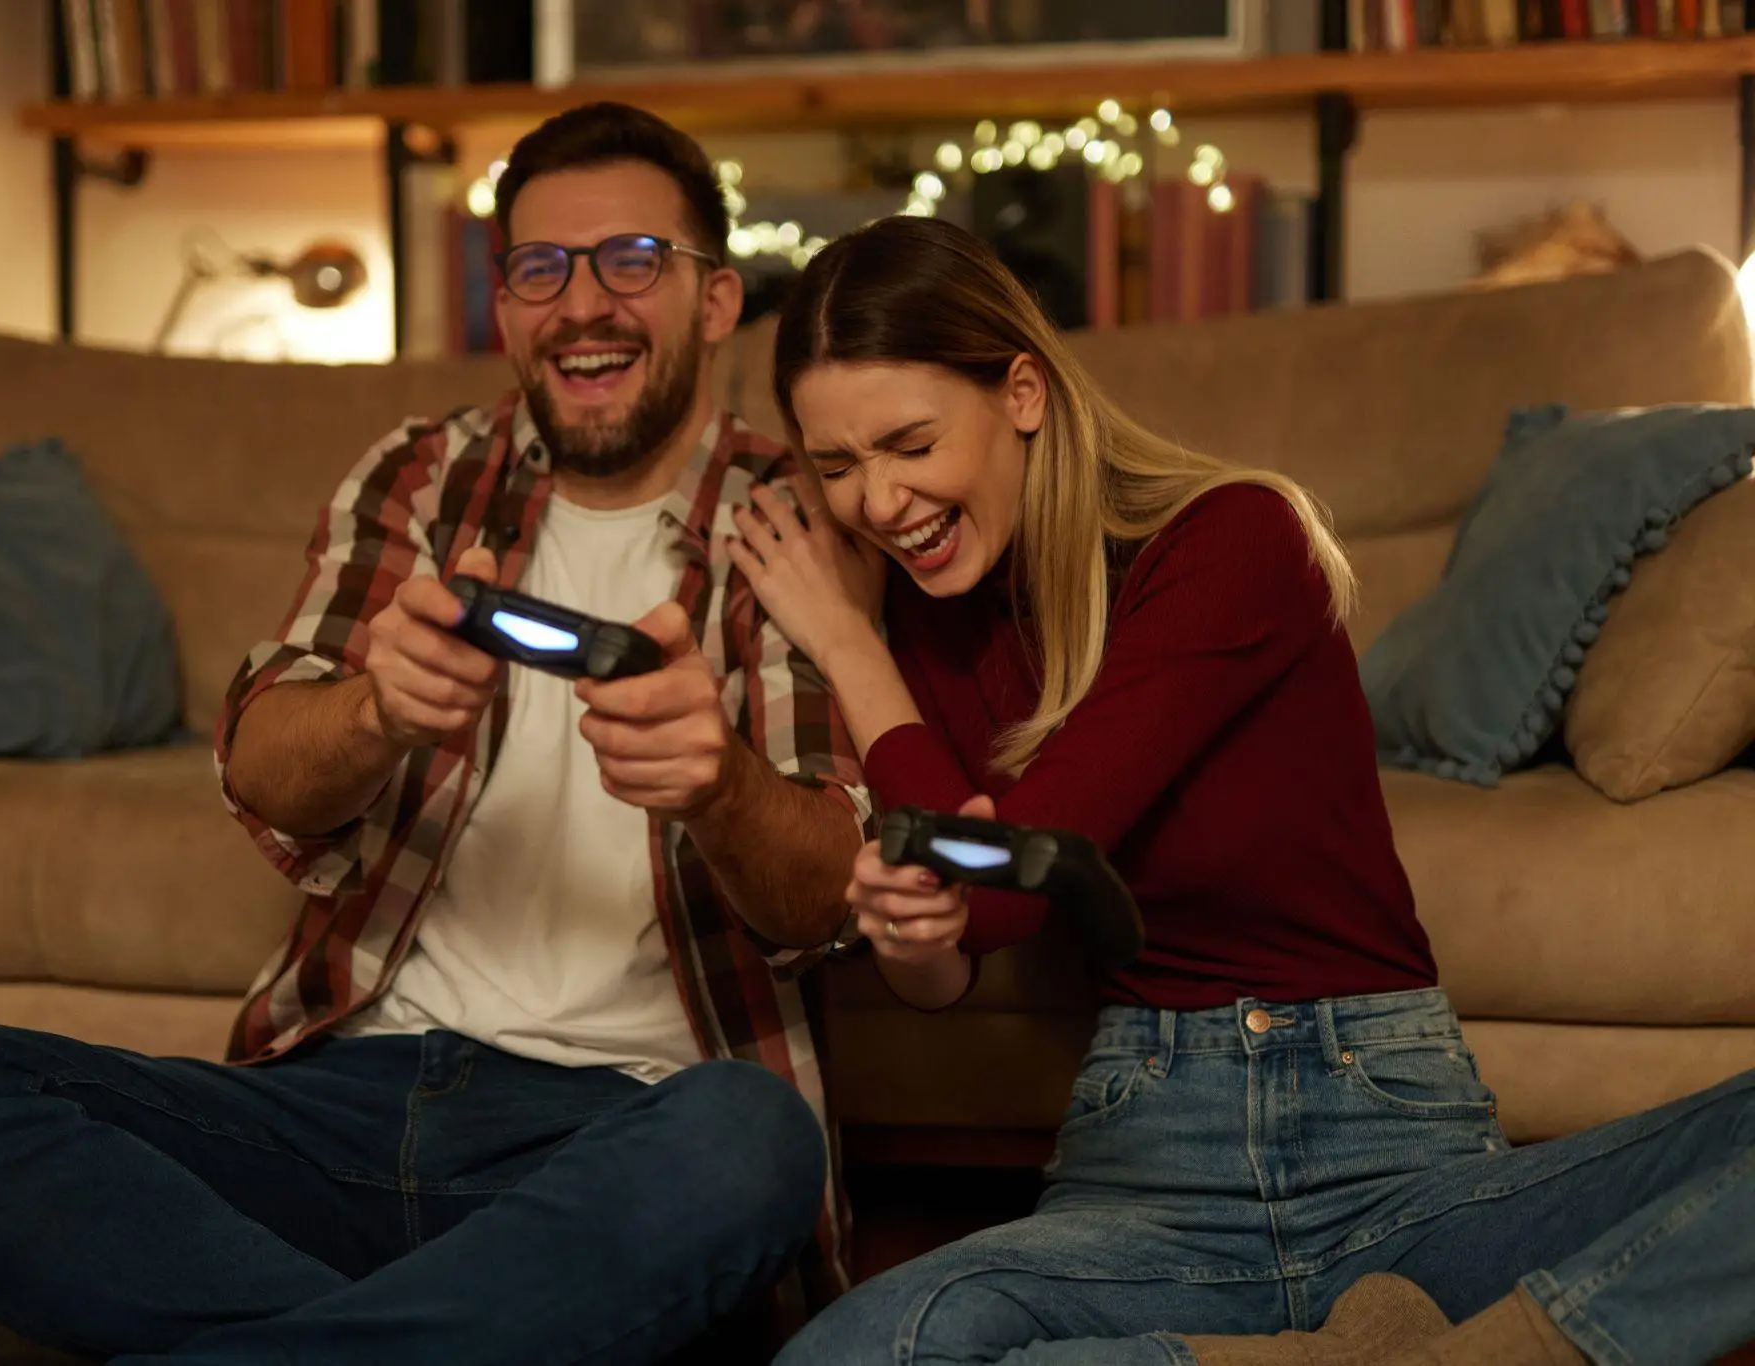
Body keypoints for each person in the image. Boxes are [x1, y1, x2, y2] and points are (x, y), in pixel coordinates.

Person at [0, 102, 875, 1366]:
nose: (580, 303)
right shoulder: (423, 476)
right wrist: (373, 711)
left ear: (714, 302)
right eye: (540, 268)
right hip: (339, 1104)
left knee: (752, 1140)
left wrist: (719, 785)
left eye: (631, 259)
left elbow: (829, 893)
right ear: (505, 303)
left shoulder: (791, 518)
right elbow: (261, 764)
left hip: (622, 1135)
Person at [726, 214, 1755, 1366]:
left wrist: (853, 655)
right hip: (1147, 1169)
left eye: (907, 444)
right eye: (835, 466)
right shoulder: (924, 623)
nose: (874, 503)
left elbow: (1017, 871)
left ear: (1020, 390)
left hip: (1384, 1146)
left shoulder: (1228, 540)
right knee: (857, 1349)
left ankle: (1510, 1351)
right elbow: (952, 960)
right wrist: (907, 916)